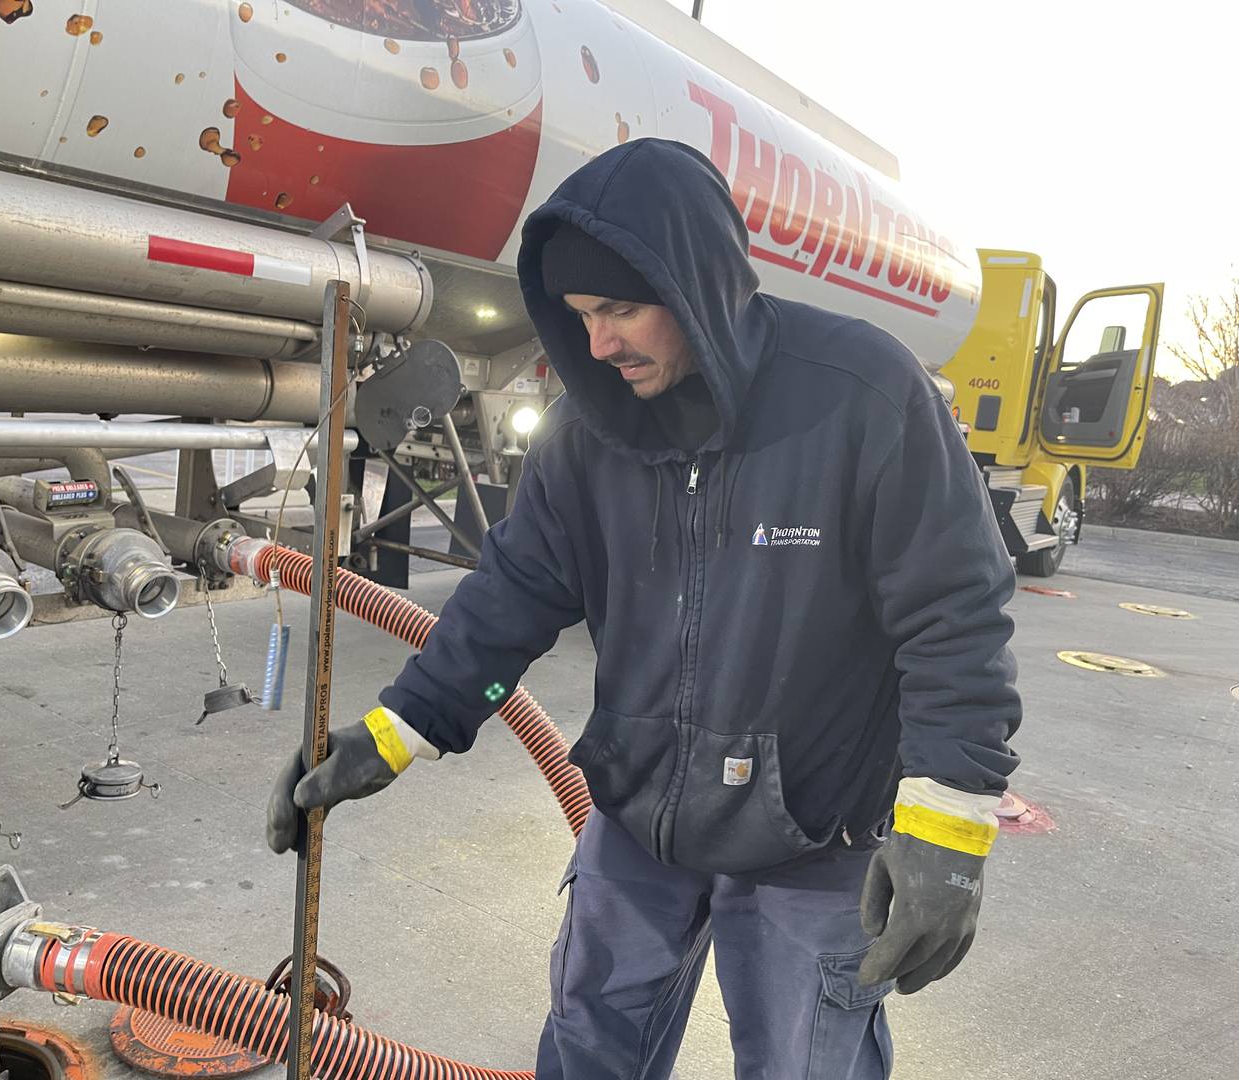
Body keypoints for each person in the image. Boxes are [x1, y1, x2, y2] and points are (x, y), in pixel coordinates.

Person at [268, 138, 1021, 1078]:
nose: (598, 344)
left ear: (700, 285)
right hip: (639, 821)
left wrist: (948, 826)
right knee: (588, 1051)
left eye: (621, 308)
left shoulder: (861, 395)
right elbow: (511, 597)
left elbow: (956, 615)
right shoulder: (589, 433)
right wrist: (394, 730)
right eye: (581, 315)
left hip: (814, 833)